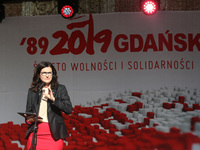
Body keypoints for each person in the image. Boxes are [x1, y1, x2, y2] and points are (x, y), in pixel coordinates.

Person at [24, 61, 73, 150]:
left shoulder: (60, 89)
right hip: (36, 134)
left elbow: (68, 109)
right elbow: (29, 112)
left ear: (53, 74)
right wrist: (29, 119)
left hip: (53, 135)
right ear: (39, 75)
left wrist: (53, 99)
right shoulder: (32, 91)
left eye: (49, 73)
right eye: (44, 73)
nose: (47, 75)